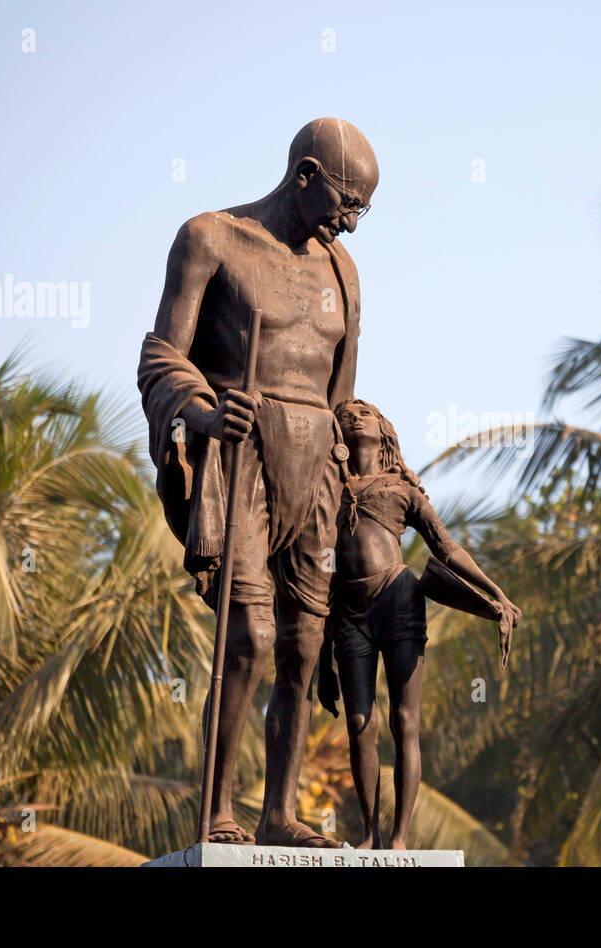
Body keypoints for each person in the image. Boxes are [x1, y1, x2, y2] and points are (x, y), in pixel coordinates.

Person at [137, 119, 377, 847]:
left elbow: (344, 396)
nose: (351, 224)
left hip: (317, 467)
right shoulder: (211, 238)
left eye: (364, 211)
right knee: (249, 633)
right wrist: (205, 414)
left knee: (305, 646)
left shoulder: (344, 272)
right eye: (346, 203)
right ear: (305, 175)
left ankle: (278, 812)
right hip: (241, 455)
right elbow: (159, 358)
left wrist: (359, 476)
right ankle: (218, 810)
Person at [318, 398, 522, 849]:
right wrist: (321, 663)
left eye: (364, 412)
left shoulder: (401, 488)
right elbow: (321, 573)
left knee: (404, 720)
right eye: (346, 413)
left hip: (399, 599)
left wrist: (496, 594)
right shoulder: (326, 488)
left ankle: (400, 837)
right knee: (358, 722)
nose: (353, 416)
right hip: (349, 611)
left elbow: (446, 548)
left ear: (384, 430)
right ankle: (369, 832)